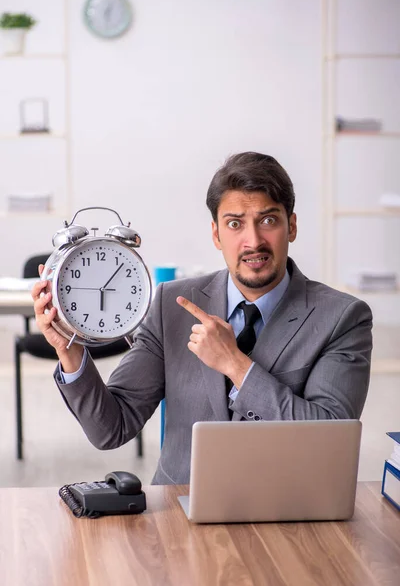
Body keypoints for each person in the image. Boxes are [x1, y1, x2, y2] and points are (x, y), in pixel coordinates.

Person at [32, 152, 373, 485]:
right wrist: (71, 352)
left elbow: (330, 441)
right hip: (179, 514)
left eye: (268, 220)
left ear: (291, 226)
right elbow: (111, 428)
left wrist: (236, 366)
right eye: (235, 223)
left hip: (283, 516)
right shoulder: (172, 304)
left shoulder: (342, 318)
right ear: (216, 234)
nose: (253, 241)